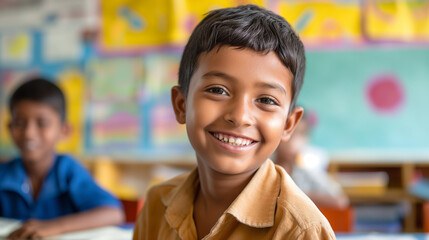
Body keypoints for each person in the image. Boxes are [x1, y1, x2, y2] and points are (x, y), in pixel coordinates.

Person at [133, 4, 335, 240]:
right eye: (218, 90)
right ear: (181, 105)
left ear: (288, 125)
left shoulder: (300, 231)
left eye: (266, 100)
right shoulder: (157, 205)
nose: (239, 116)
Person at [0, 77, 124, 239]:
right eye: (20, 122)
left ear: (64, 130)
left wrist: (53, 227)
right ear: (9, 128)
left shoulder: (67, 170)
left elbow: (113, 213)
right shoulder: (4, 173)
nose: (29, 133)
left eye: (42, 123)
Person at [274, 111, 349, 209]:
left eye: (301, 134)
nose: (294, 141)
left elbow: (340, 200)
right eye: (290, 132)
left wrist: (294, 196)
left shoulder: (306, 170)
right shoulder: (262, 167)